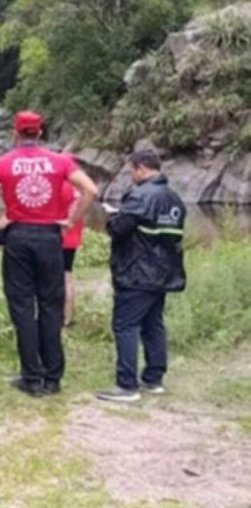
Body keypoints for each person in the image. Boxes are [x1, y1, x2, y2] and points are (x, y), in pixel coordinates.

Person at [0, 111, 98, 397]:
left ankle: (32, 377)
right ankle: (53, 376)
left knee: (23, 308)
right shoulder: (60, 161)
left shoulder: (3, 163)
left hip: (18, 236)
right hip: (50, 237)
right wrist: (71, 220)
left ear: (15, 135)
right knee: (51, 306)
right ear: (40, 134)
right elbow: (90, 189)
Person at [97, 150, 186, 403]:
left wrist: (113, 215)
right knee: (153, 324)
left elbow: (118, 230)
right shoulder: (175, 198)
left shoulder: (140, 196)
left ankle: (127, 385)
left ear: (142, 169)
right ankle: (154, 378)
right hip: (164, 272)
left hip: (136, 273)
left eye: (132, 172)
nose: (131, 177)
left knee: (125, 326)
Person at [59, 169, 86, 327]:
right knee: (68, 276)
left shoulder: (60, 187)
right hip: (73, 237)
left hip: (59, 237)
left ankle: (60, 316)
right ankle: (68, 317)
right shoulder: (79, 188)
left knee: (56, 279)